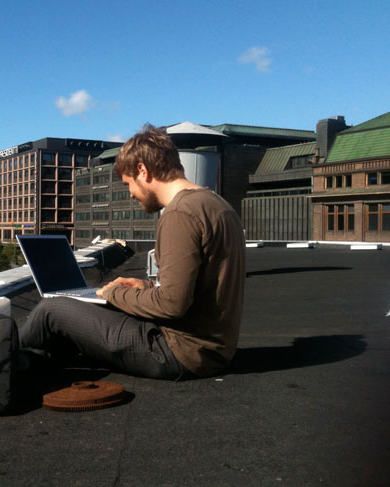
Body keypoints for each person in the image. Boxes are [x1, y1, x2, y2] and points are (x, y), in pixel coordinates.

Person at [19, 125, 245, 380]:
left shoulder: (180, 213)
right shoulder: (216, 204)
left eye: (128, 183)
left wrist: (115, 293)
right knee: (85, 314)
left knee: (53, 309)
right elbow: (201, 286)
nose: (130, 193)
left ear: (142, 171)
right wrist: (145, 286)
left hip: (179, 351)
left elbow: (172, 305)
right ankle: (29, 362)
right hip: (214, 349)